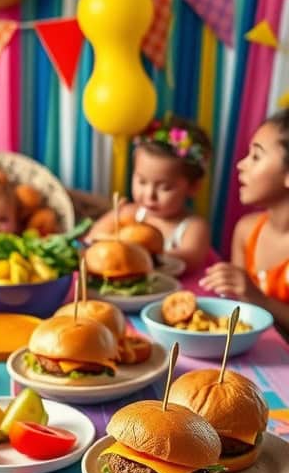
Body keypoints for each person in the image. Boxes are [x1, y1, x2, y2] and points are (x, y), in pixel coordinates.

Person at [86, 114, 213, 271]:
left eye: (164, 187)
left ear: (193, 187)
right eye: (142, 181)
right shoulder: (129, 213)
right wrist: (116, 237)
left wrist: (138, 251)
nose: (149, 194)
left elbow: (191, 259)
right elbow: (92, 238)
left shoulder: (193, 227)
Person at [201, 109, 289, 332]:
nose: (241, 164)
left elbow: (251, 299)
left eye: (256, 156)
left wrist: (257, 297)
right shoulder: (247, 229)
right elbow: (240, 311)